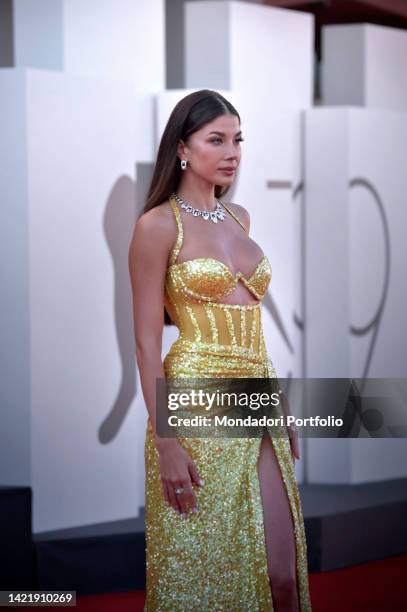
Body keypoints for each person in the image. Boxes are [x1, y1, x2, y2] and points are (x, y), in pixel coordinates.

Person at [128, 89, 312, 611]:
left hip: (255, 395)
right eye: (217, 139)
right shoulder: (156, 226)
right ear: (183, 148)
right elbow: (145, 340)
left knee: (281, 570)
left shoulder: (240, 218)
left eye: (237, 139)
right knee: (205, 570)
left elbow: (252, 327)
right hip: (195, 400)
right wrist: (166, 440)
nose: (232, 151)